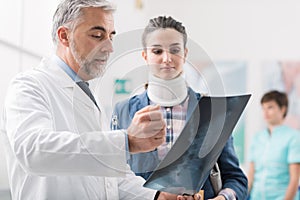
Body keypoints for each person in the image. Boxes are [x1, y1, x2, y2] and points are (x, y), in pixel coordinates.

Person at [0, 1, 201, 200]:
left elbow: (110, 178)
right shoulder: (29, 86)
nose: (109, 47)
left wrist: (158, 196)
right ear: (64, 36)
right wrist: (126, 142)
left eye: (110, 36)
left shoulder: (88, 96)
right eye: (97, 36)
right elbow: (34, 150)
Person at [112, 16, 248, 200]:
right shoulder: (123, 111)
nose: (167, 58)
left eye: (174, 50)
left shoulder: (212, 111)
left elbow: (236, 179)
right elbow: (114, 177)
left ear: (185, 53)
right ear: (145, 56)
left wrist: (223, 198)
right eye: (157, 51)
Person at [247, 90, 300, 200]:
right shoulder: (257, 138)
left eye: (270, 107)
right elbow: (251, 175)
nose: (265, 112)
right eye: (263, 108)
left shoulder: (294, 137)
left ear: (283, 109)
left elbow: (295, 179)